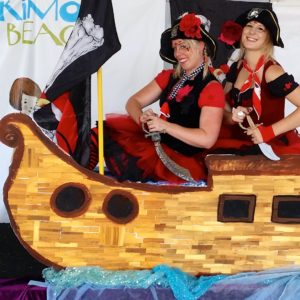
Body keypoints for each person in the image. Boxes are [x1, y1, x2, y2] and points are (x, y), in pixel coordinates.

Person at [104, 12, 225, 183]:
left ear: (201, 46)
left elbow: (207, 139)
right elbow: (133, 102)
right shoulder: (169, 76)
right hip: (158, 145)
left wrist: (164, 126)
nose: (178, 53)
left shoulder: (211, 87)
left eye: (184, 46)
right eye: (175, 47)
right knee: (99, 134)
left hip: (184, 157)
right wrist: (143, 119)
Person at [216, 7, 300, 156]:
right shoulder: (237, 66)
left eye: (260, 28)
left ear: (269, 37)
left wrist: (267, 132)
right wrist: (234, 117)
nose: (252, 32)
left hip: (268, 147)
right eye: (249, 26)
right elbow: (222, 107)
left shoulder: (271, 72)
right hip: (236, 143)